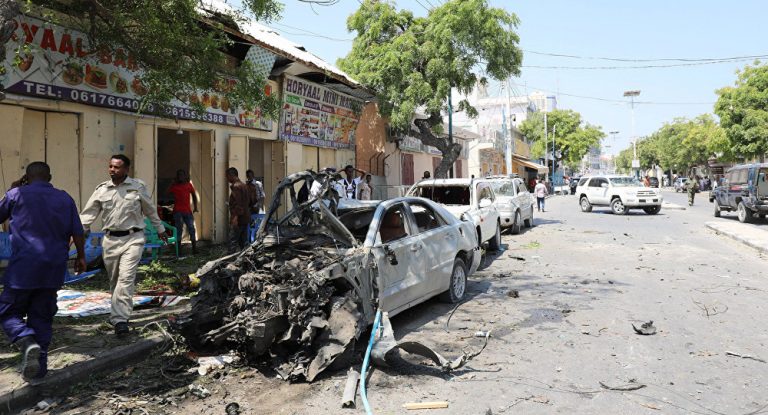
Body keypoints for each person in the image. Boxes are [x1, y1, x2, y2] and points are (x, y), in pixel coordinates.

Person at [0, 162, 86, 382]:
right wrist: (81, 257)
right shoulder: (65, 198)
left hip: (23, 268)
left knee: (7, 312)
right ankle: (38, 372)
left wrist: (13, 190)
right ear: (50, 177)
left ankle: (25, 339)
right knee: (42, 317)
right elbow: (77, 231)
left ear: (26, 177)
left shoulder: (16, 195)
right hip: (53, 268)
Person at [80, 155, 167, 337]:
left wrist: (160, 229)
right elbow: (88, 214)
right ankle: (117, 314)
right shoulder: (102, 189)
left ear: (126, 169)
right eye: (110, 166)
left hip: (133, 238)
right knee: (115, 281)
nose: (112, 170)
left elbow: (150, 210)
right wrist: (76, 233)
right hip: (110, 240)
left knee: (126, 278)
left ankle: (120, 320)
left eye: (117, 167)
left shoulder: (137, 187)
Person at [167, 169, 198, 255]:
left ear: (185, 176)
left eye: (182, 175)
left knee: (191, 228)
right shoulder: (175, 186)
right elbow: (167, 193)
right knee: (179, 230)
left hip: (187, 211)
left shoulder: (188, 185)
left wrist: (195, 207)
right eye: (179, 175)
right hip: (177, 212)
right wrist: (172, 183)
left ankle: (194, 249)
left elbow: (194, 195)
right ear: (177, 177)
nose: (180, 176)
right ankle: (179, 251)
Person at [226, 167, 250, 253]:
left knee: (232, 241)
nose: (227, 179)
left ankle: (230, 259)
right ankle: (245, 258)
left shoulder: (236, 187)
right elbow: (249, 201)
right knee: (243, 242)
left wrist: (235, 218)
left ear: (231, 175)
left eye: (227, 176)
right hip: (245, 218)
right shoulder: (244, 185)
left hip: (238, 219)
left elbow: (238, 204)